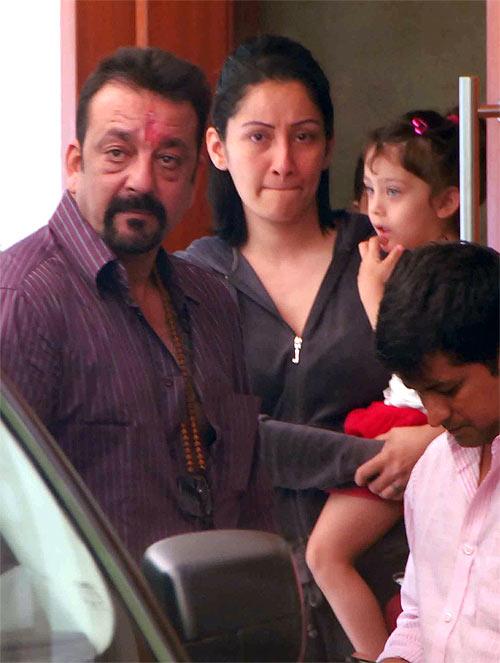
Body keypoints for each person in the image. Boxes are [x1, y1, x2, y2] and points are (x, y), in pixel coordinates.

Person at [177, 34, 437, 660]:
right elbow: (219, 435)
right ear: (217, 147)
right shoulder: (189, 283)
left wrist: (427, 441)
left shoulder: (384, 254)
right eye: (258, 136)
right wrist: (366, 458)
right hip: (249, 601)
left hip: (402, 592)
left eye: (305, 136)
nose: (283, 162)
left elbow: (470, 390)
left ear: (326, 147)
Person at [0, 46, 274, 564]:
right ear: (75, 164)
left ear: (194, 178)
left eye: (168, 159)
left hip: (218, 632)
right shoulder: (23, 301)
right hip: (92, 640)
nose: (142, 182)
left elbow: (253, 497)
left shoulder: (212, 299)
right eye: (117, 153)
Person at [306, 109, 466, 659]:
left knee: (325, 554)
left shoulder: (449, 274)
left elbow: (415, 361)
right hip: (407, 421)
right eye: (370, 189)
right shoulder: (406, 264)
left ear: (447, 201)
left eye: (394, 191)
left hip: (425, 422)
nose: (375, 207)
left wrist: (373, 296)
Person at [375, 241, 499, 663]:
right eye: (420, 394)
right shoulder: (432, 473)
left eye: (447, 390)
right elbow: (421, 616)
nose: (433, 416)